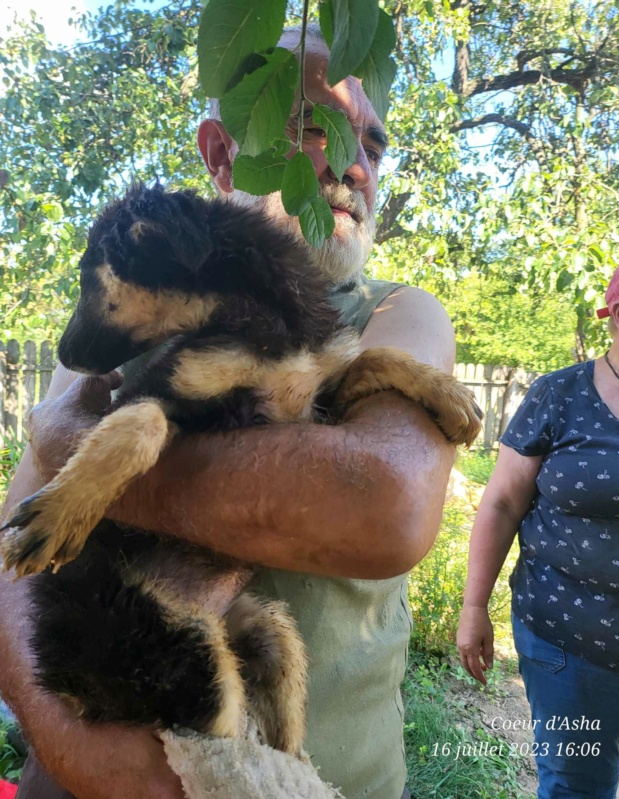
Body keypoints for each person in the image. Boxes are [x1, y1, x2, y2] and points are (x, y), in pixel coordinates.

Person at [0, 25, 457, 799]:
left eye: (373, 148)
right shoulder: (124, 319)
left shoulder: (398, 316)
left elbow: (385, 507)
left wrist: (69, 438)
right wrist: (68, 739)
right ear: (220, 154)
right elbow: (14, 546)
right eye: (315, 128)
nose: (353, 165)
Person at [457, 252, 619, 798]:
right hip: (570, 649)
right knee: (575, 787)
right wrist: (473, 609)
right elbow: (501, 505)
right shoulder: (560, 395)